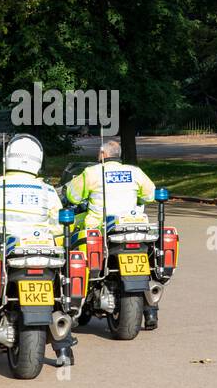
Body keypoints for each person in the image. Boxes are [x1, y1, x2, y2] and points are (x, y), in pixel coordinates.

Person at [63, 138, 161, 328]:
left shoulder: (92, 173)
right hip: (135, 228)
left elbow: (72, 196)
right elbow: (150, 195)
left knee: (75, 250)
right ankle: (150, 311)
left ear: (102, 154)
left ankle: (77, 302)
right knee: (149, 267)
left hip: (101, 230)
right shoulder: (135, 172)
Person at [0, 133, 63, 245]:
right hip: (39, 251)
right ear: (39, 162)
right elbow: (59, 228)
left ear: (6, 159)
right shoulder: (49, 191)